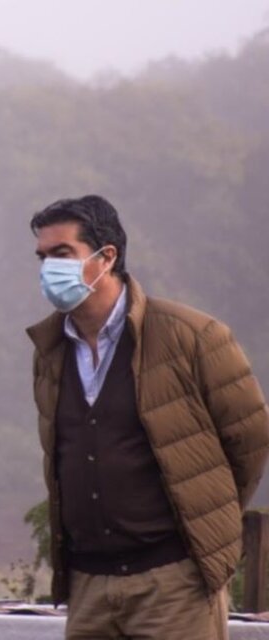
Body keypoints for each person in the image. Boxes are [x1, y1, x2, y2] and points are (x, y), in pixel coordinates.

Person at [26, 195, 269, 639]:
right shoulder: (51, 351)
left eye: (61, 254)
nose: (47, 269)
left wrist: (206, 520)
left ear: (107, 256)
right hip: (90, 585)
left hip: (173, 581)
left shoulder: (192, 336)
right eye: (42, 257)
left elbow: (250, 440)